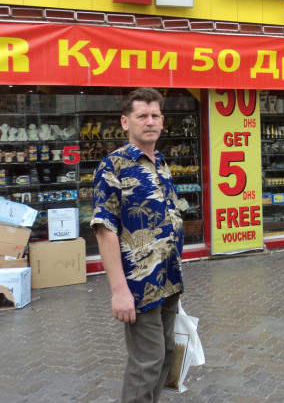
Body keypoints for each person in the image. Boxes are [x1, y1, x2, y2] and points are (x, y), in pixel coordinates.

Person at [92, 88, 184, 403]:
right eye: (142, 115)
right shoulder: (113, 166)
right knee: (147, 362)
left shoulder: (160, 163)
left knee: (166, 353)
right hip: (139, 285)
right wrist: (119, 291)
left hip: (168, 280)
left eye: (155, 115)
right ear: (125, 122)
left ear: (162, 121)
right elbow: (104, 230)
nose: (150, 121)